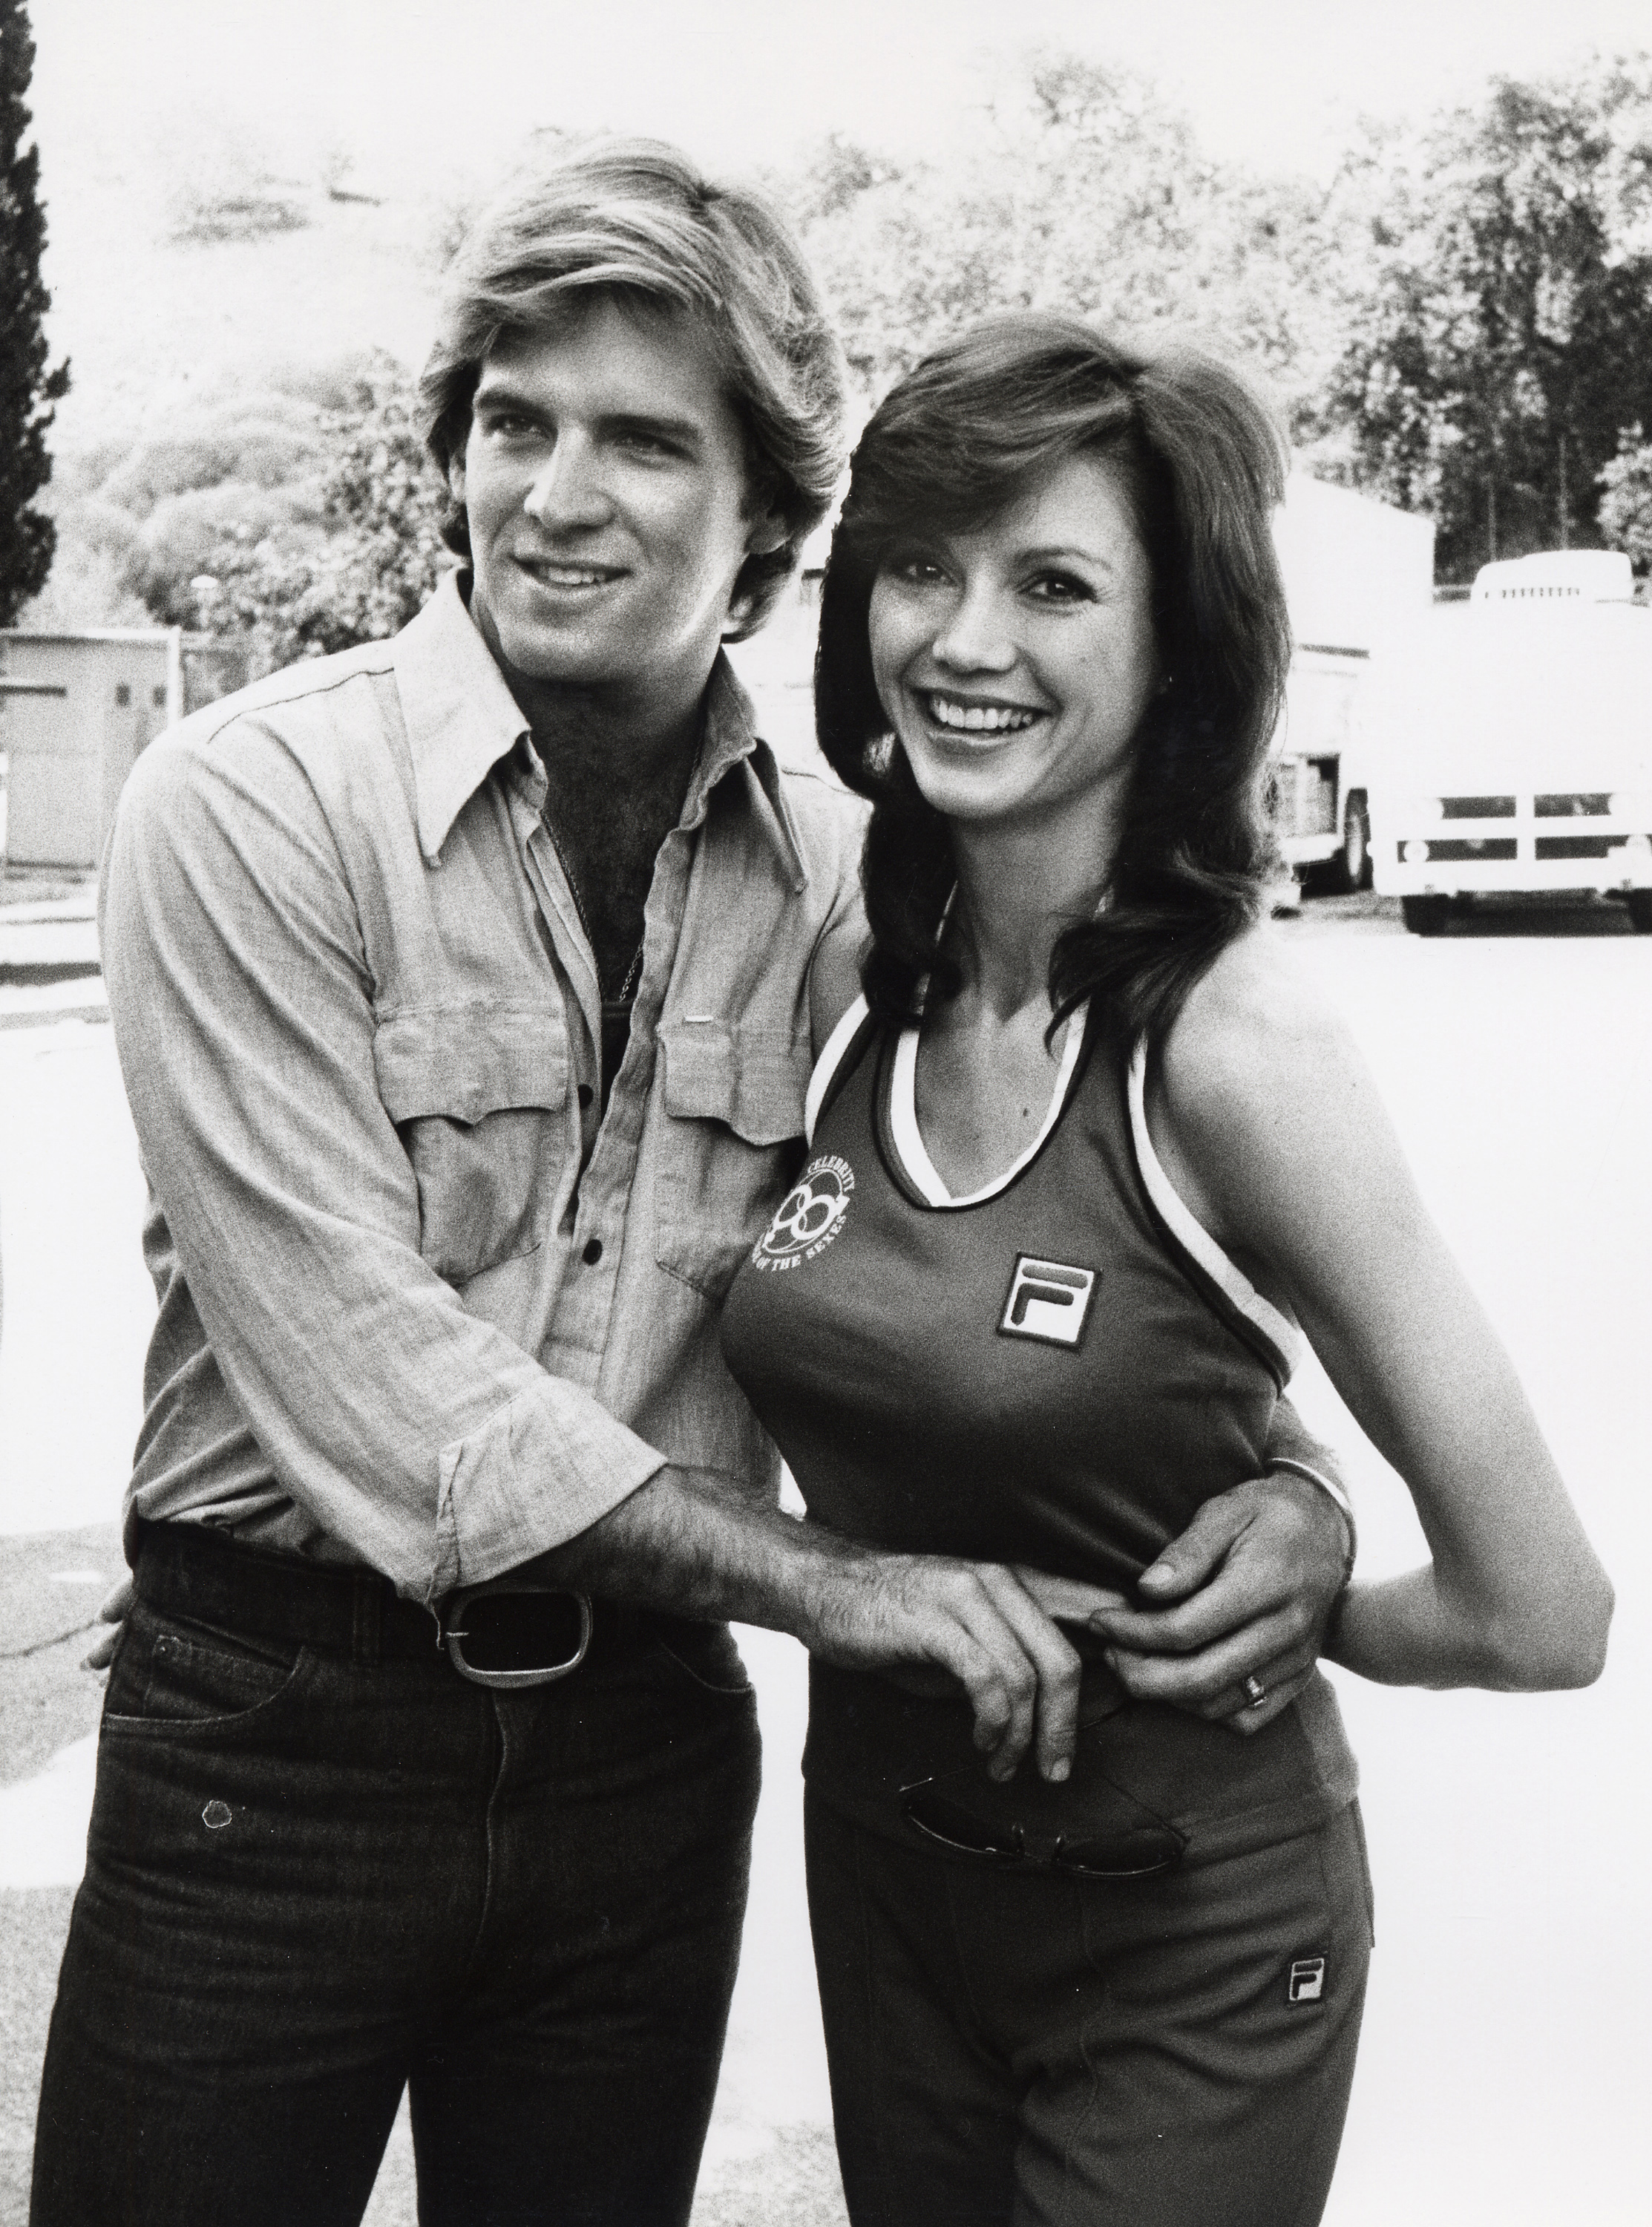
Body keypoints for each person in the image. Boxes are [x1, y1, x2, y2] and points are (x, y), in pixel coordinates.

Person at [34, 151, 1354, 2227]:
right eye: (512, 423)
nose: (556, 492)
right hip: (273, 1742)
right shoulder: (253, 803)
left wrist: (1292, 1483)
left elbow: (1045, 1230)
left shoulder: (856, 876)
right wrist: (837, 1585)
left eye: (644, 439)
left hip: (643, 1759)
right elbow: (372, 1374)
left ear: (766, 518)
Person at [719, 314, 1616, 2227]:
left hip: (1190, 1947)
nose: (965, 641)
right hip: (891, 1896)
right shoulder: (844, 986)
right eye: (924, 567)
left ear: (1181, 647)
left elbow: (1544, 1610)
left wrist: (1303, 1590)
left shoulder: (1234, 1044)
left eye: (1054, 584)